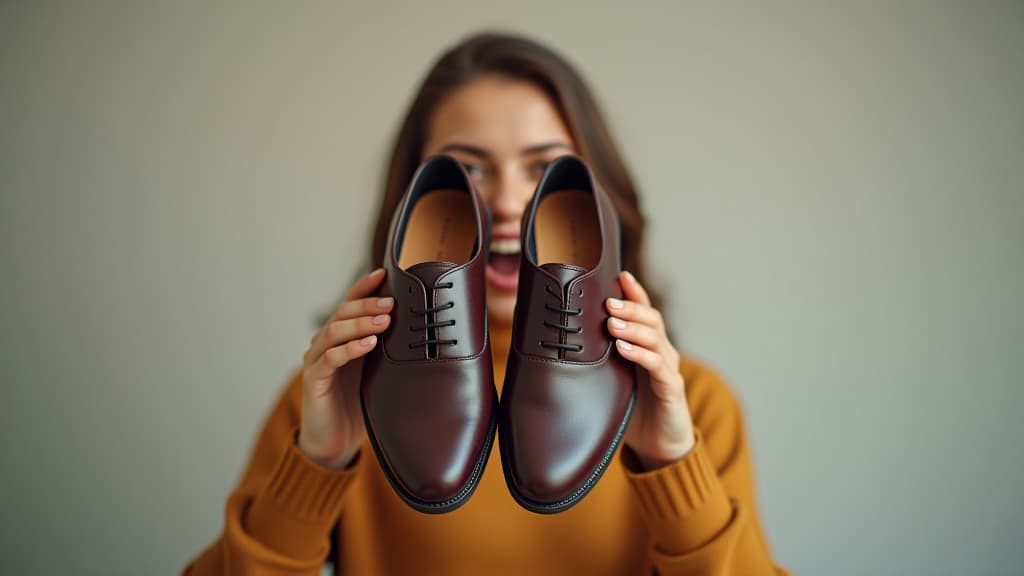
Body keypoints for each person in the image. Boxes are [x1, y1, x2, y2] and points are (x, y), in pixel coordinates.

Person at [184, 32, 788, 576]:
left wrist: (671, 464)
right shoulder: (328, 395)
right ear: (413, 203)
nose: (506, 201)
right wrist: (317, 463)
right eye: (468, 168)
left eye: (545, 167)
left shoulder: (696, 405)